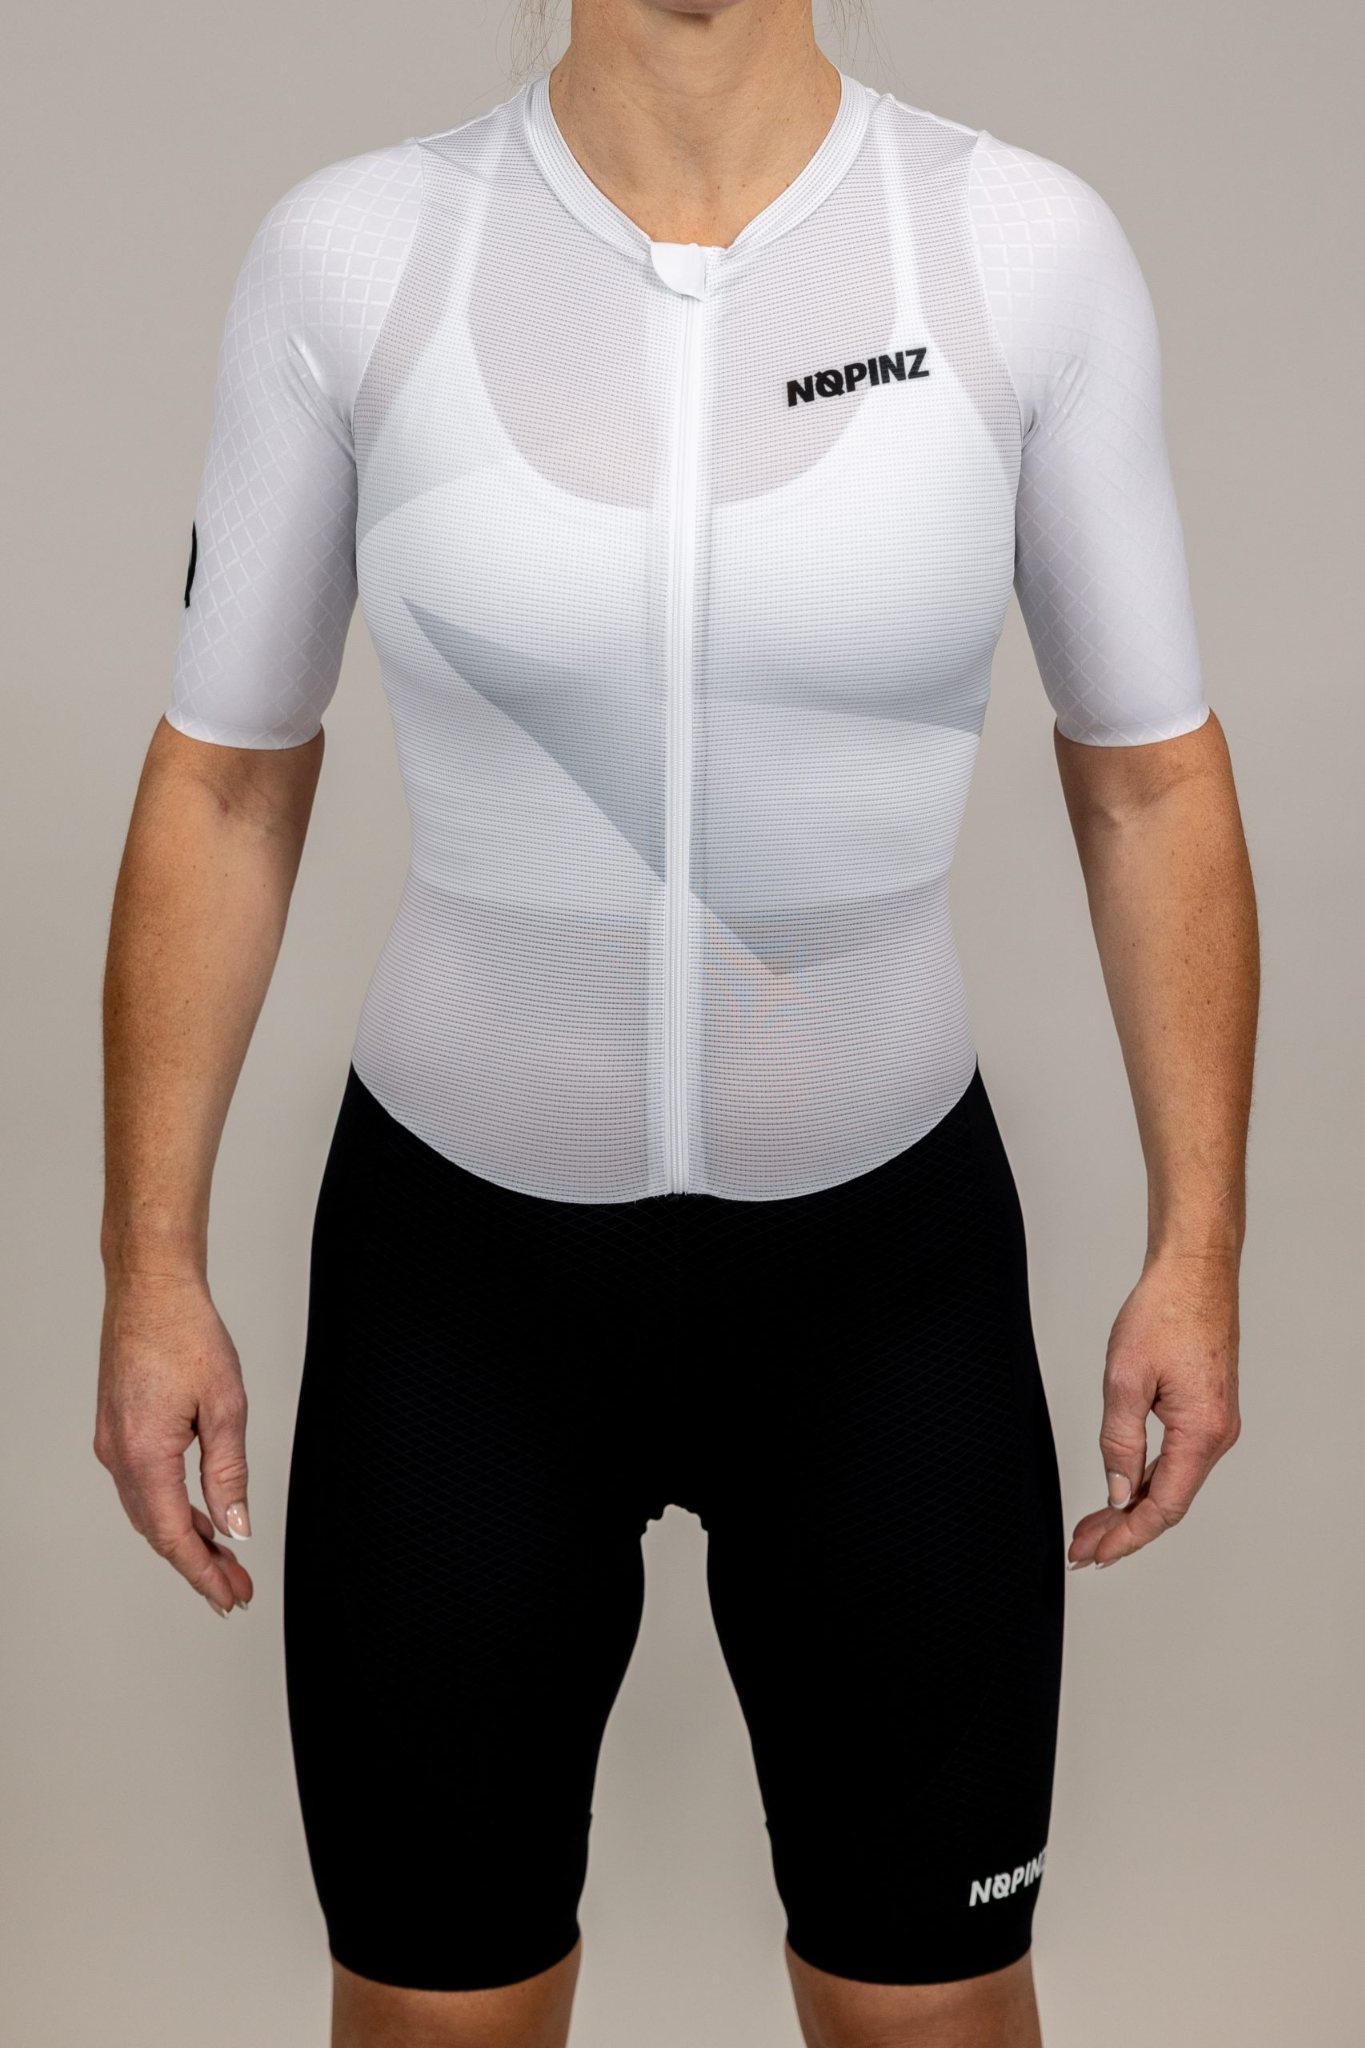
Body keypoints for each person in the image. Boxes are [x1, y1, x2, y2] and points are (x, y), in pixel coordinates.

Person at [94, 0, 1258, 2042]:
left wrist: (1198, 1248)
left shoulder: (1016, 247)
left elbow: (1150, 776)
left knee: (933, 2009)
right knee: (436, 2015)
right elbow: (226, 778)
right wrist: (151, 1269)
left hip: (882, 1296)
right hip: (458, 1300)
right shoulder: (357, 255)